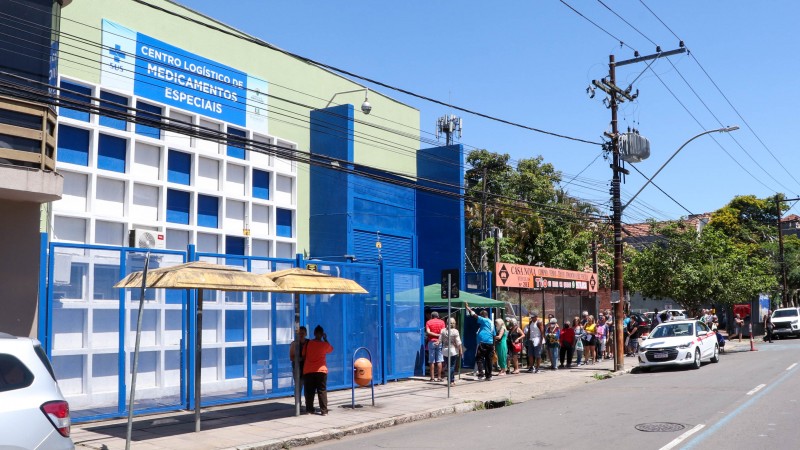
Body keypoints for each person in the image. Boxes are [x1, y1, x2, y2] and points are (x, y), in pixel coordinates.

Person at [302, 325, 333, 416]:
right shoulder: (324, 345)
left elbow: (303, 354)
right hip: (321, 371)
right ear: (322, 334)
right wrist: (325, 339)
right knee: (322, 390)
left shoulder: (308, 343)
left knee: (309, 391)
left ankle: (309, 409)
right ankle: (324, 410)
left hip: (308, 370)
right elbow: (330, 349)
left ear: (314, 333)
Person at [465, 302, 495, 381]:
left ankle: (481, 374)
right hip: (490, 343)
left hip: (483, 342)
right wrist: (493, 345)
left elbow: (475, 315)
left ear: (483, 315)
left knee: (479, 358)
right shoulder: (491, 323)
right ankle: (489, 376)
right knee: (489, 360)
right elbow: (494, 334)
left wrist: (468, 308)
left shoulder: (484, 320)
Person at [440, 317, 463, 385]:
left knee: (448, 365)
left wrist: (438, 342)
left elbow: (440, 340)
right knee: (452, 366)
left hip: (445, 350)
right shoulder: (455, 331)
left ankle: (451, 379)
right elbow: (458, 342)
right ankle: (451, 381)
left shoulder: (443, 330)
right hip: (453, 350)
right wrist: (461, 350)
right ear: (454, 323)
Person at [425, 311, 446, 382]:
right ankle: (439, 377)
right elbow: (443, 332)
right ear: (438, 316)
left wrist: (435, 335)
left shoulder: (428, 322)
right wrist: (438, 336)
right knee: (439, 360)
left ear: (431, 316)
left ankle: (432, 378)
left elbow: (428, 332)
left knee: (432, 361)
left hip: (431, 342)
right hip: (439, 342)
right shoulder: (442, 322)